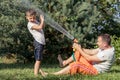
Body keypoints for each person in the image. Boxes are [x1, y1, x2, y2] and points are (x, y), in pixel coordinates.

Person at [25, 9, 47, 76]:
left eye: (33, 17)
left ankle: (40, 72)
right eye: (30, 18)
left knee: (39, 59)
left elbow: (42, 26)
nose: (32, 19)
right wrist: (42, 20)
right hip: (38, 43)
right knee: (38, 59)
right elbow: (40, 27)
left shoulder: (35, 21)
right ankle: (36, 75)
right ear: (26, 17)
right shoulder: (30, 24)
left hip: (41, 42)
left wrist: (41, 21)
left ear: (35, 16)